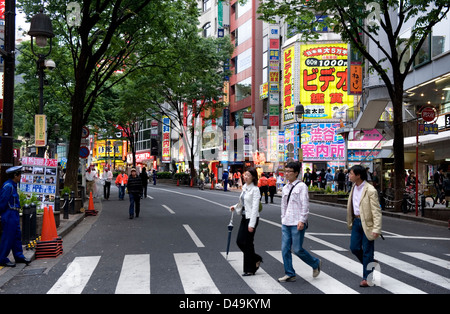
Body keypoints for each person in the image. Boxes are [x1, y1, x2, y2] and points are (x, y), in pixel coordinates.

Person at [278, 162, 321, 282]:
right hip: (286, 222)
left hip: (297, 223)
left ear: (296, 173)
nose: (286, 173)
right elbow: (283, 205)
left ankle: (315, 263)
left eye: (289, 171)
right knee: (284, 249)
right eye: (285, 171)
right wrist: (283, 218)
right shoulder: (286, 187)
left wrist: (302, 220)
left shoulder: (302, 186)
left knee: (297, 249)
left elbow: (305, 205)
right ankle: (290, 273)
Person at [346, 164, 382, 287]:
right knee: (354, 248)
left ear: (358, 175)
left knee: (368, 251)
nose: (349, 175)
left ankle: (367, 278)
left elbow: (376, 211)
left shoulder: (370, 190)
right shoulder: (353, 187)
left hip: (368, 223)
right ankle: (371, 263)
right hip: (357, 222)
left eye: (351, 173)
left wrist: (377, 228)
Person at [230, 167, 262, 276]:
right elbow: (242, 203)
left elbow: (254, 208)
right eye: (245, 174)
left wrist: (251, 224)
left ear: (253, 177)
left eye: (248, 175)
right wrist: (235, 207)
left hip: (252, 218)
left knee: (248, 243)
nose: (245, 176)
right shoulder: (244, 187)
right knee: (240, 241)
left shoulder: (255, 190)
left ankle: (249, 269)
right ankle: (256, 258)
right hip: (244, 217)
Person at [0, 166, 31, 267]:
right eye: (20, 175)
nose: (21, 177)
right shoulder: (8, 186)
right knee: (8, 237)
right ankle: (2, 258)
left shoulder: (13, 185)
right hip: (9, 214)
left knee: (17, 236)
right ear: (15, 175)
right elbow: (2, 203)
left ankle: (19, 256)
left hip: (14, 214)